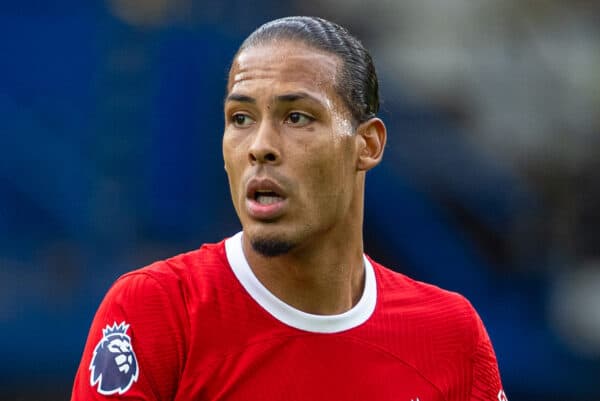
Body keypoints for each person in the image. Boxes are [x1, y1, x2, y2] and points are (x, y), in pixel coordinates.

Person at [71, 16, 507, 401]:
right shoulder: (157, 312)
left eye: (297, 117)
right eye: (240, 118)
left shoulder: (451, 337)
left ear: (367, 144)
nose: (260, 146)